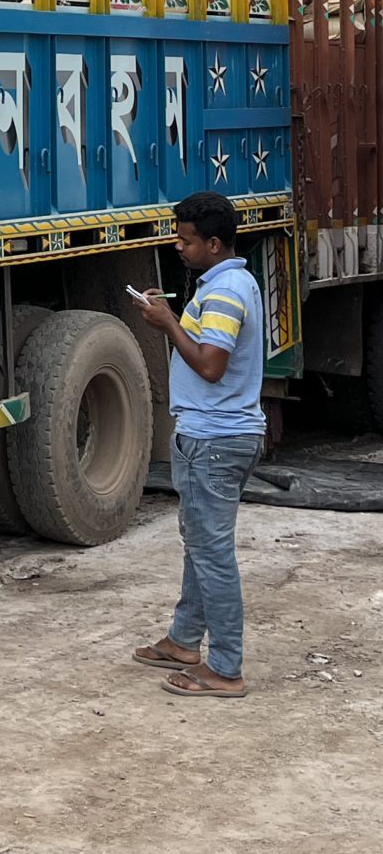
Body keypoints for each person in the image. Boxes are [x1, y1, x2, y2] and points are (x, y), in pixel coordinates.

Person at [131, 193, 266, 698]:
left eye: (186, 240)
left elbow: (211, 364)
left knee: (211, 554)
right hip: (220, 435)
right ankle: (184, 640)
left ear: (213, 243)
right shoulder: (236, 281)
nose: (179, 247)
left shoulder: (226, 291)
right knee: (200, 544)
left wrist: (168, 323)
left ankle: (225, 669)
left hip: (214, 438)